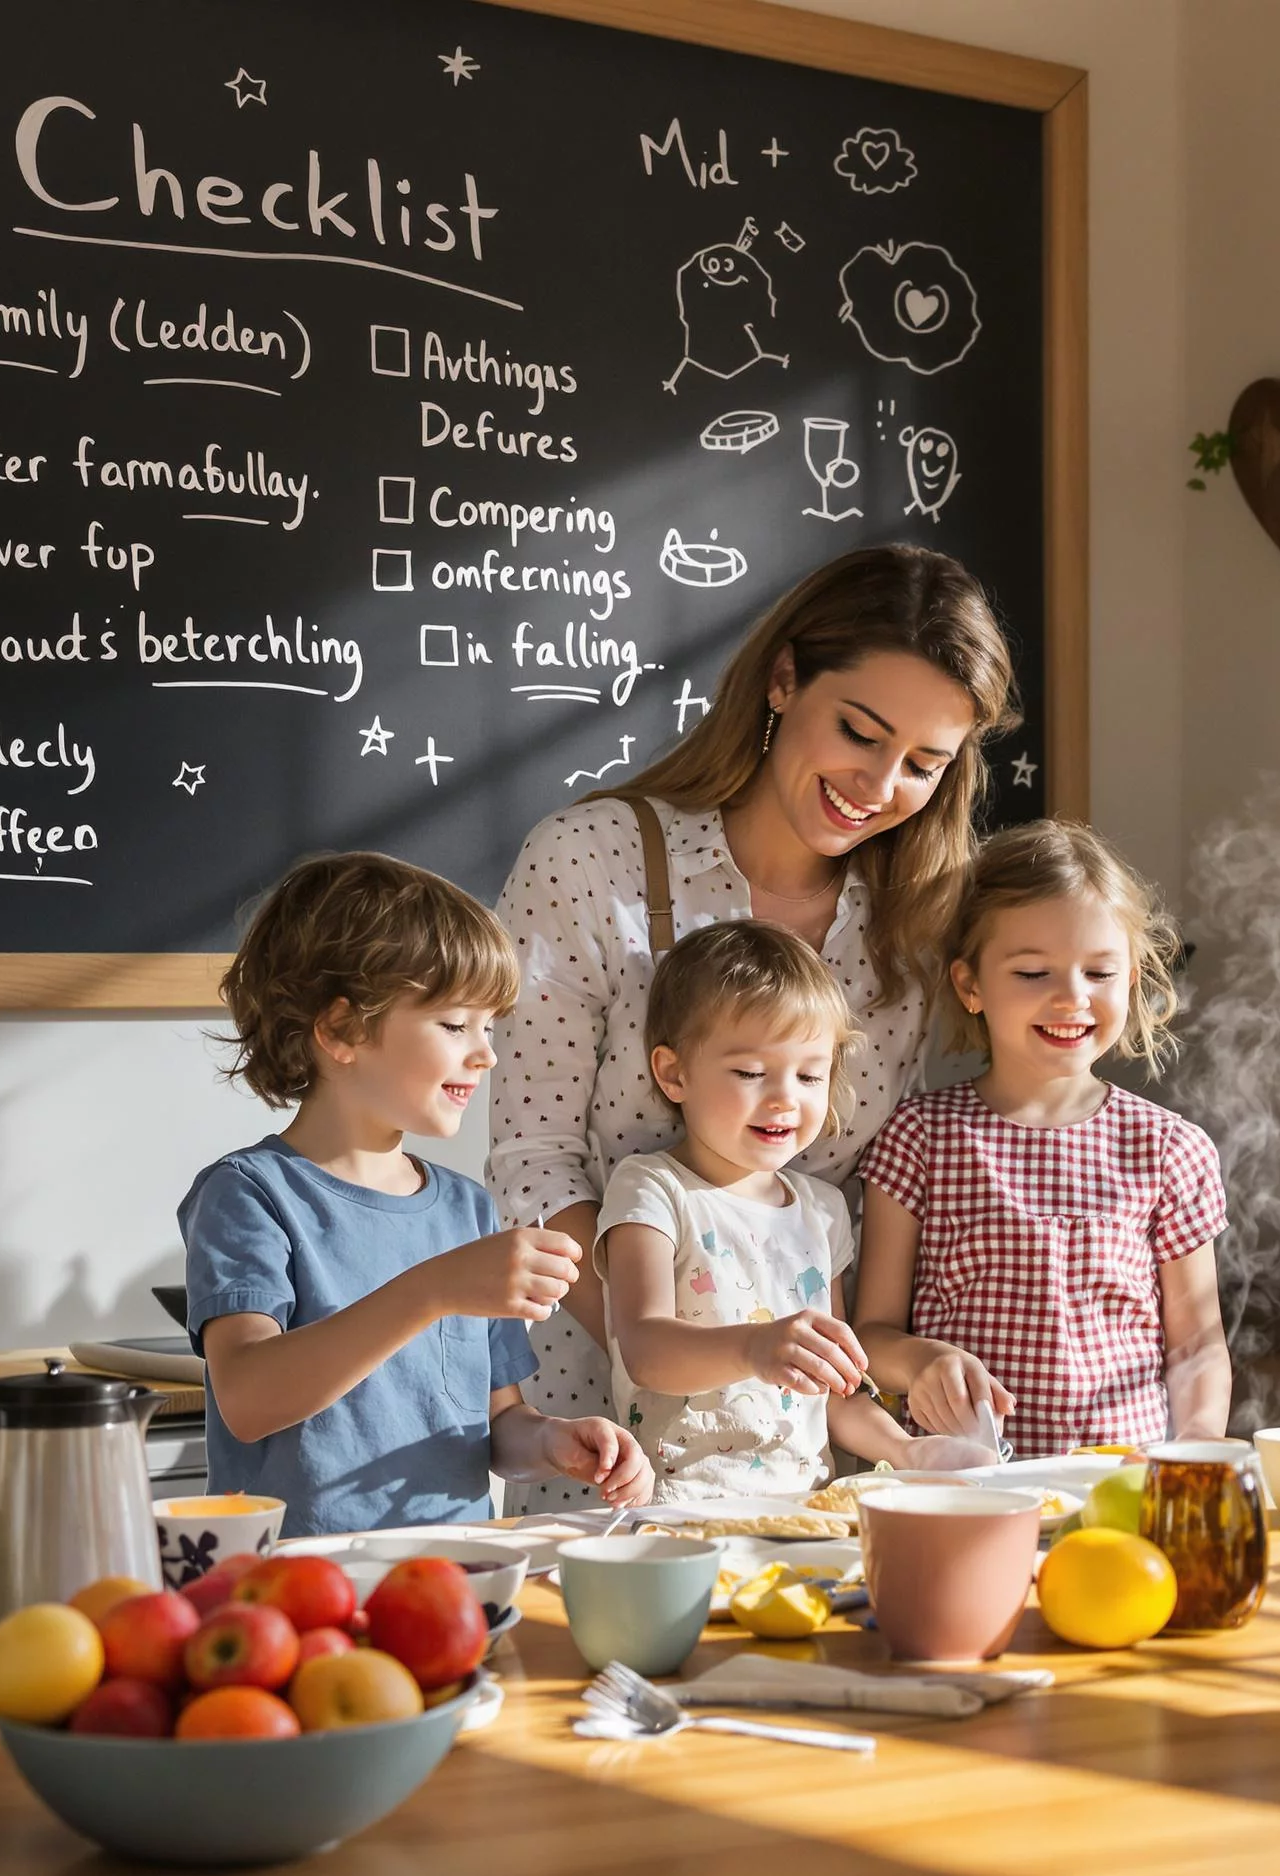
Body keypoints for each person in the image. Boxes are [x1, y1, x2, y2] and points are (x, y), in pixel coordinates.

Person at [489, 545, 1020, 1508]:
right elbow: (535, 1162)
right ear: (783, 679)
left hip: (806, 1467)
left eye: (923, 765)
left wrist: (877, 1400)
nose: (879, 785)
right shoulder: (592, 859)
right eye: (859, 732)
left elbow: (849, 1199)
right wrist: (684, 1359)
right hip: (602, 1444)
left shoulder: (913, 923)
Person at [179, 852, 653, 1538]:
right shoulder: (249, 1195)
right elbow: (249, 1399)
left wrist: (553, 1442)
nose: (486, 1054)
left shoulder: (467, 1210)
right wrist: (433, 1290)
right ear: (341, 1031)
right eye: (456, 1025)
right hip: (299, 1582)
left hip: (456, 1573)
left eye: (489, 1026)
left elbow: (498, 1425)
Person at [853, 820, 1231, 1459]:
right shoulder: (919, 1138)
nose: (1071, 998)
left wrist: (1196, 1449)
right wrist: (922, 1361)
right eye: (1033, 973)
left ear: (1131, 979)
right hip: (964, 1482)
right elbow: (874, 1333)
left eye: (1099, 972)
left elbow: (1196, 1343)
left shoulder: (1171, 1149)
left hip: (1118, 1481)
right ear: (971, 986)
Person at [598, 921, 986, 1499]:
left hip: (808, 1508)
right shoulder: (651, 1188)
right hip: (682, 1508)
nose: (785, 1098)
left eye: (809, 1075)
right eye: (752, 1073)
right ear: (674, 1074)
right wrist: (755, 1348)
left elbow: (836, 1391)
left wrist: (908, 1451)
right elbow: (645, 1351)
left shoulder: (823, 1212)